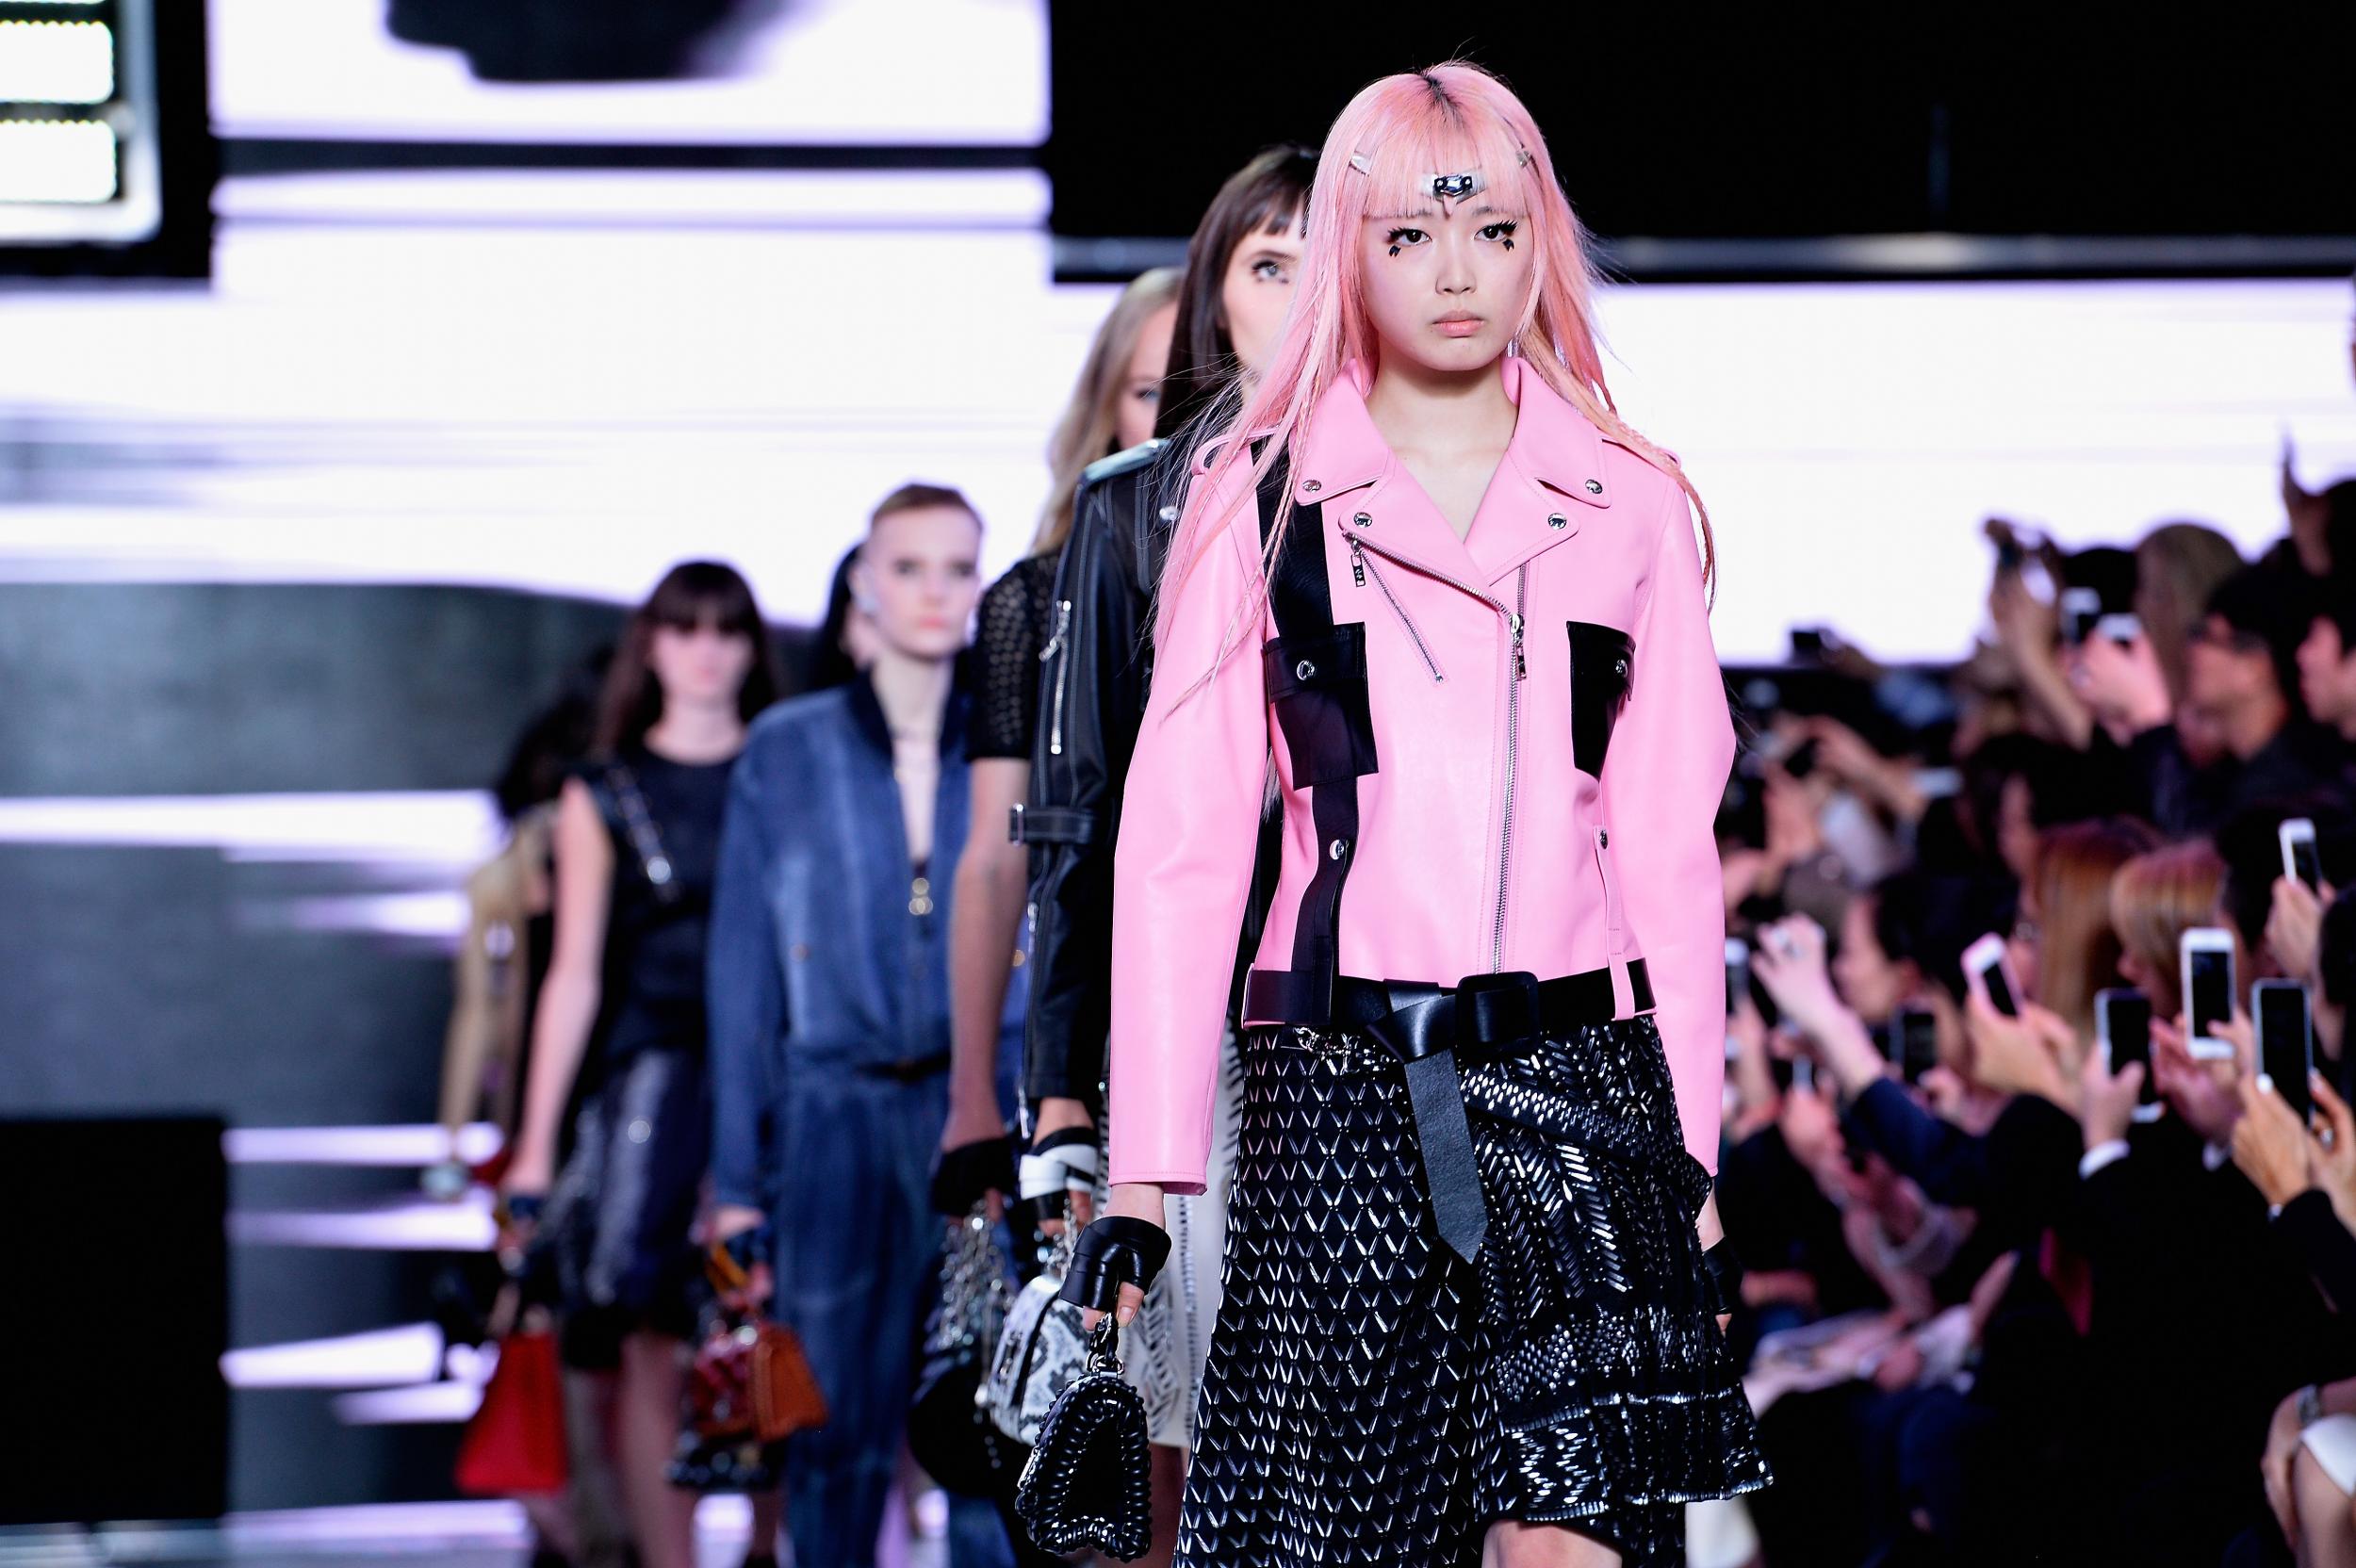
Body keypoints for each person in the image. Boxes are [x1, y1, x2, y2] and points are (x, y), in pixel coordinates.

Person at [1069, 64, 1768, 1567]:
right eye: (1409, 238)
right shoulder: (1254, 496)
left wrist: (1691, 1164)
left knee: (1573, 1544)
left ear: (1540, 244)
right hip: (1337, 1091)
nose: (1459, 275)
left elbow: (1667, 857)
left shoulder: (1633, 504)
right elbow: (1183, 849)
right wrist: (1145, 1172)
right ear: (1349, 250)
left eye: (1495, 233)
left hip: (1582, 1089)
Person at [998, 145, 1317, 1521]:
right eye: (1268, 262)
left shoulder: (1461, 488)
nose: (1306, 293)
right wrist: (1059, 1099)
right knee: (1178, 1441)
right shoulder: (1135, 508)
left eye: (1331, 255)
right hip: (1197, 1040)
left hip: (1395, 1031)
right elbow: (1078, 827)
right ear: (1217, 296)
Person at [706, 483, 1024, 1568]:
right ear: (862, 583)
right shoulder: (787, 751)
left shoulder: (1012, 731)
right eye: (908, 566)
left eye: (957, 567)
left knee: (995, 1421)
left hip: (980, 1105)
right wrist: (736, 1175)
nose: (935, 590)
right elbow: (742, 972)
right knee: (831, 1420)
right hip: (833, 1110)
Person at [499, 563, 786, 1568]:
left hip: (777, 1072)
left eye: (726, 629)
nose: (706, 650)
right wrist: (533, 1148)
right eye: (683, 628)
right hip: (653, 1081)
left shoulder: (785, 764)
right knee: (653, 1325)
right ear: (651, 645)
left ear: (751, 647)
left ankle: (766, 1542)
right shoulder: (603, 790)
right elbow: (571, 974)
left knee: (774, 1320)